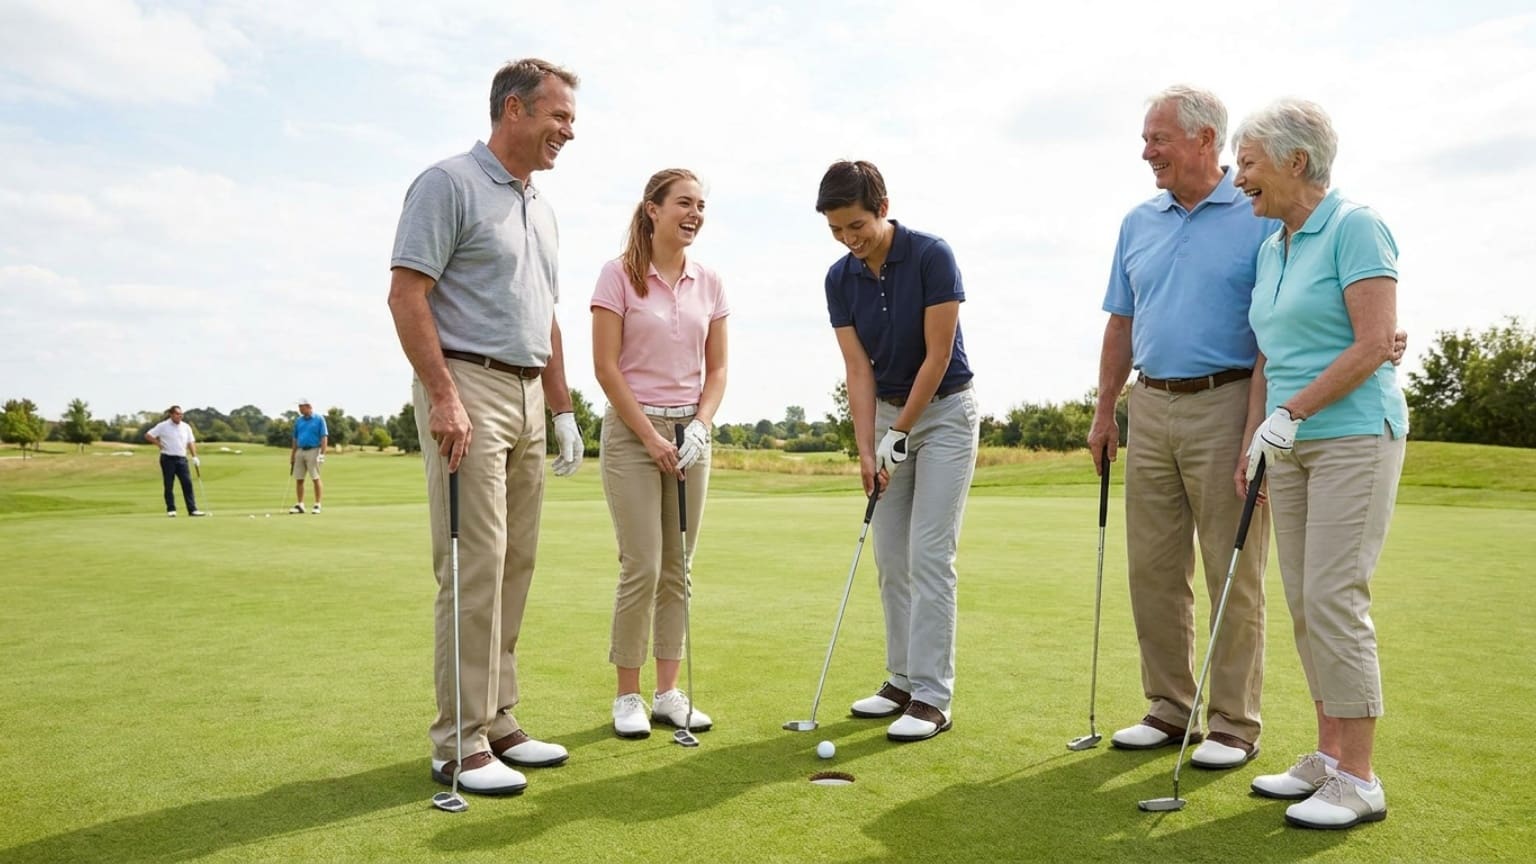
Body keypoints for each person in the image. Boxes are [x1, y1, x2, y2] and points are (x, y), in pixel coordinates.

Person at [387, 57, 586, 798]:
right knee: (472, 569)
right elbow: (407, 294)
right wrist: (443, 395)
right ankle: (458, 743)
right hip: (467, 384)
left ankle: (498, 718)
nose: (569, 130)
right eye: (559, 116)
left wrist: (564, 410)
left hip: (530, 392)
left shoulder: (541, 205)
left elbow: (548, 316)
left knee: (515, 564)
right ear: (514, 110)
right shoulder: (448, 184)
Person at [1089, 86, 1277, 769]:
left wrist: (1258, 422)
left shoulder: (1258, 213)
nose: (1147, 152)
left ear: (1205, 141)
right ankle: (1172, 709)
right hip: (1151, 404)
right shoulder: (1138, 221)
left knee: (1235, 570)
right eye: (1146, 139)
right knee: (1155, 569)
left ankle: (1233, 723)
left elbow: (1273, 332)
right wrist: (1107, 408)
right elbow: (1121, 320)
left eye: (1158, 139)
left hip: (1228, 402)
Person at [1233, 98, 1406, 830]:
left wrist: (1293, 413)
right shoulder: (1274, 244)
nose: (1238, 177)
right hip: (1290, 444)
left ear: (1295, 162)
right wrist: (1258, 438)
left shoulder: (1356, 226)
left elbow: (1374, 343)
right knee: (1305, 602)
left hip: (1354, 437)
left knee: (1335, 597)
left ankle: (1360, 778)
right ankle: (1329, 757)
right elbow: (1268, 353)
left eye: (1248, 163)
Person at [816, 160, 979, 743]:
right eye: (836, 230)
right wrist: (867, 447)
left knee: (930, 553)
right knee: (891, 556)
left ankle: (934, 697)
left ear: (882, 206)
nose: (848, 239)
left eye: (855, 225)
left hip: (943, 414)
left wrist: (900, 432)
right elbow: (857, 368)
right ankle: (903, 679)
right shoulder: (840, 278)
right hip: (887, 415)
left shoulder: (932, 255)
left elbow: (937, 358)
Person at [591, 168, 729, 739]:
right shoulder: (618, 276)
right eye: (684, 204)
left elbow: (717, 369)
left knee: (679, 567)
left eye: (701, 205)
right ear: (652, 209)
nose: (695, 214)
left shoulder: (710, 281)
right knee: (642, 564)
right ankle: (628, 696)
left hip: (690, 434)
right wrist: (650, 435)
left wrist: (699, 424)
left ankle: (668, 691)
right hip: (632, 432)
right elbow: (605, 367)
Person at [145, 405, 204, 517]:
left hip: (182, 459)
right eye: (177, 414)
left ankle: (192, 509)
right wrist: (159, 444)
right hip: (168, 458)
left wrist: (194, 456)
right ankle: (171, 509)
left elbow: (190, 442)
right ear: (171, 414)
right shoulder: (163, 426)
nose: (180, 416)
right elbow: (148, 435)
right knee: (169, 484)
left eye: (181, 414)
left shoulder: (186, 427)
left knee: (187, 484)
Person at [289, 398, 328, 514]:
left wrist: (322, 454)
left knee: (315, 478)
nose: (300, 409)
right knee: (299, 479)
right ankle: (300, 505)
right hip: (300, 451)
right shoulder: (298, 421)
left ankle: (317, 504)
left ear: (309, 406)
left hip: (314, 450)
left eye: (302, 406)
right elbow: (295, 439)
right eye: (299, 407)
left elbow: (324, 437)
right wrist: (293, 454)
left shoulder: (319, 419)